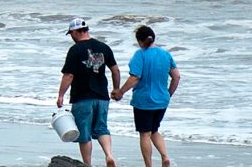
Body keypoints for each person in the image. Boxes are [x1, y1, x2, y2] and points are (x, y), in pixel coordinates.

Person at [59, 17, 122, 167]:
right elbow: (115, 70)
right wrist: (116, 88)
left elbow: (69, 75)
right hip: (102, 96)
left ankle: (87, 164)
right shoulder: (103, 47)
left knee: (84, 132)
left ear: (75, 32)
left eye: (71, 33)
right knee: (101, 128)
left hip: (83, 97)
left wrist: (61, 95)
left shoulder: (75, 50)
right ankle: (109, 155)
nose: (72, 37)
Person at [118, 24, 180, 167]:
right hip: (162, 101)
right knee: (155, 130)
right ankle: (165, 156)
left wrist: (121, 91)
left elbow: (135, 78)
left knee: (145, 133)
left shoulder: (140, 55)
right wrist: (168, 94)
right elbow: (176, 77)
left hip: (143, 101)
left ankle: (148, 165)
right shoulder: (165, 54)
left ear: (140, 41)